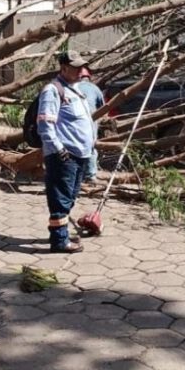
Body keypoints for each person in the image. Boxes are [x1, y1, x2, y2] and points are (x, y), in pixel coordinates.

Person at [37, 51, 96, 253]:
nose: (82, 70)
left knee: (69, 197)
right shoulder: (53, 91)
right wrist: (59, 150)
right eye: (77, 67)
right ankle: (59, 241)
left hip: (80, 154)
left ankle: (60, 233)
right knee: (61, 198)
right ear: (64, 68)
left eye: (83, 67)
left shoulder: (76, 90)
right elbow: (45, 125)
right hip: (64, 155)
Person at [76, 67, 105, 182]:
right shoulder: (95, 88)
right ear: (89, 77)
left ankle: (77, 174)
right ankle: (91, 175)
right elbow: (102, 108)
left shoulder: (72, 87)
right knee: (91, 147)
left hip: (74, 120)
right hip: (90, 120)